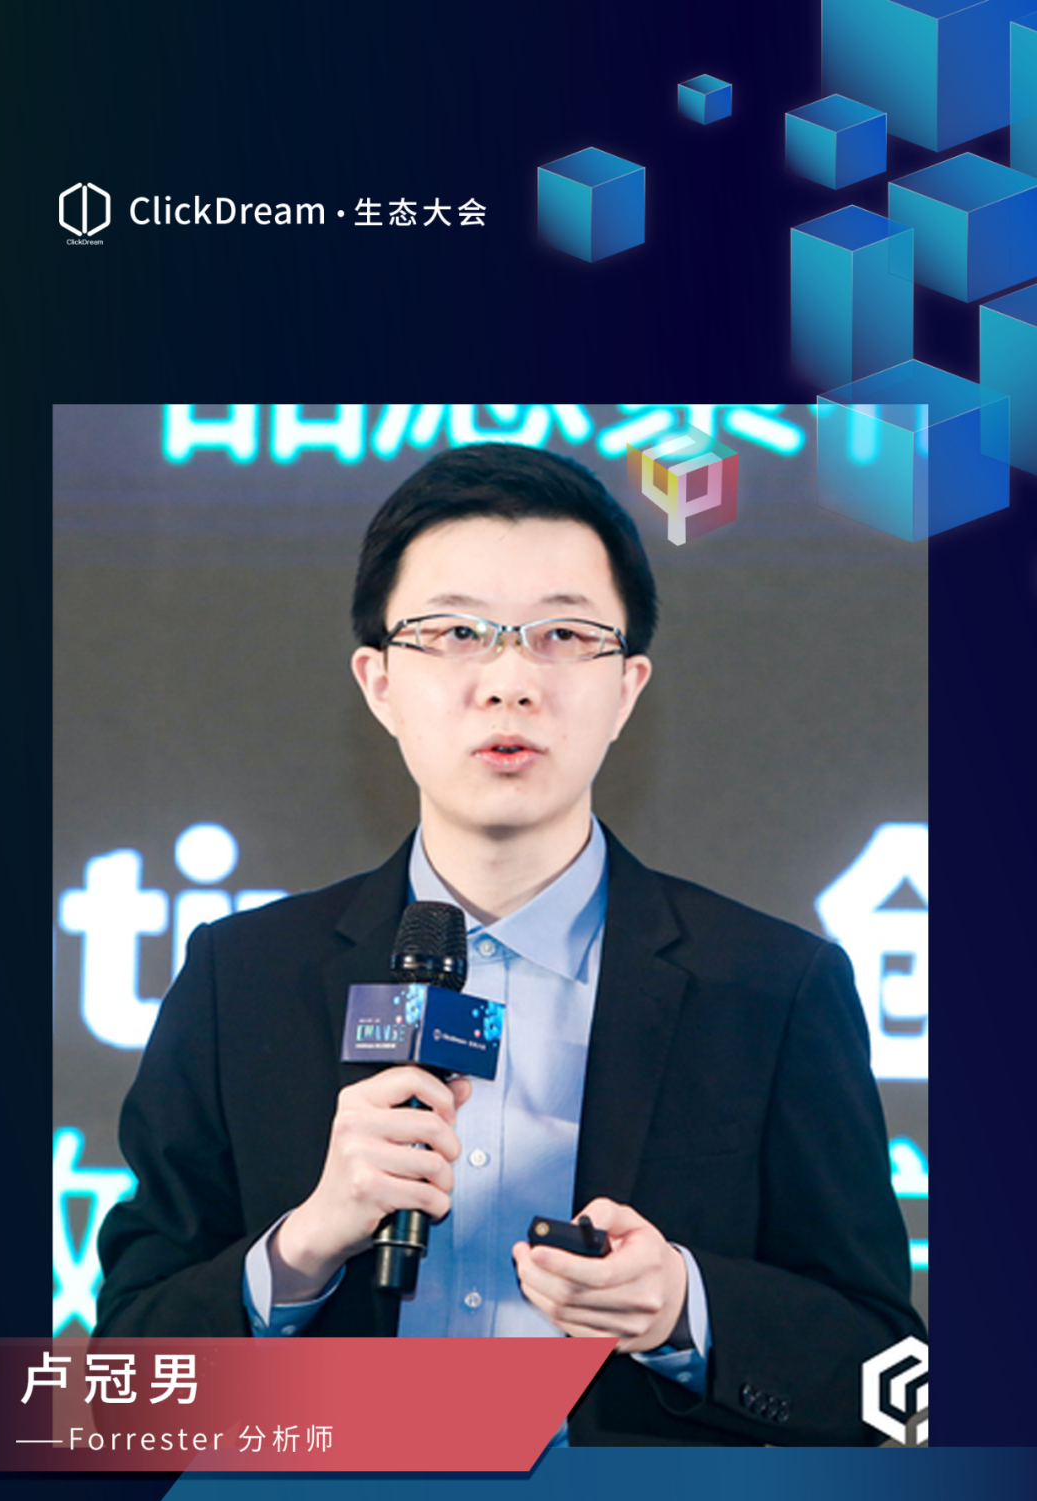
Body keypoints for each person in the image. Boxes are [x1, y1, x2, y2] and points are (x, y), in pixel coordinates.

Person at [96, 444, 924, 1444]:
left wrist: (683, 1308)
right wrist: (303, 1247)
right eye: (455, 632)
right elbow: (119, 1382)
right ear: (379, 681)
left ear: (627, 687)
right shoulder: (244, 979)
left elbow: (891, 1376)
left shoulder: (770, 987)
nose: (509, 681)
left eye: (563, 634)